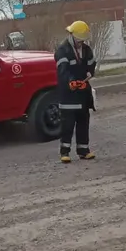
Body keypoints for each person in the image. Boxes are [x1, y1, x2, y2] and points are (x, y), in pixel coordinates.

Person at [55, 20, 96, 163]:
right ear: (71, 35)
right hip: (68, 97)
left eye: (82, 40)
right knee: (67, 125)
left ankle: (84, 150)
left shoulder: (86, 50)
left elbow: (91, 65)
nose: (80, 43)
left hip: (83, 95)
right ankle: (64, 152)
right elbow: (63, 71)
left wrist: (90, 74)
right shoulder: (63, 50)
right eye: (79, 40)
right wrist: (71, 82)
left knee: (83, 123)